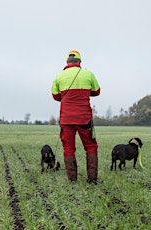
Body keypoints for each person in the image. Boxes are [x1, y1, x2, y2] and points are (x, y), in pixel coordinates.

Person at [51, 50, 101, 184]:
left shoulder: (59, 76)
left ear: (67, 62)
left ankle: (72, 180)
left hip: (66, 119)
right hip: (84, 118)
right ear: (80, 62)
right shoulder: (88, 74)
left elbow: (56, 96)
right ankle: (92, 179)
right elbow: (96, 91)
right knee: (91, 146)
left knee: (68, 148)